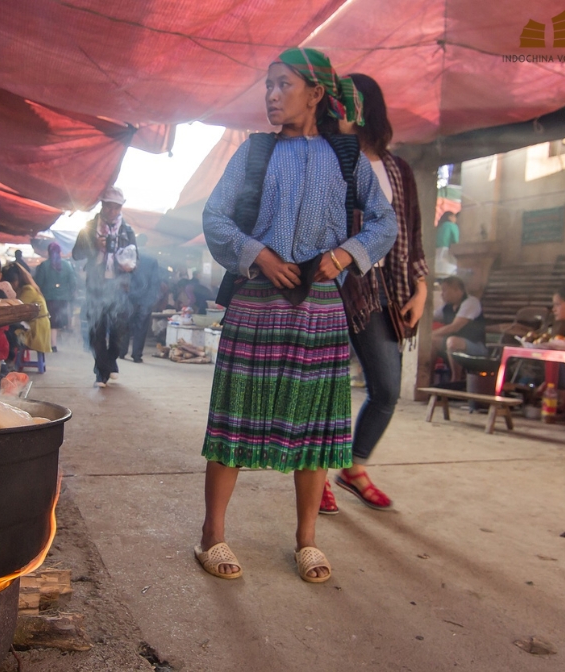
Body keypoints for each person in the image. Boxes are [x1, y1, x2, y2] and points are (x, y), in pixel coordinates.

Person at [196, 47, 397, 583]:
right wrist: (258, 254)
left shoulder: (346, 156)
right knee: (234, 419)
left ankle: (307, 540)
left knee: (315, 429)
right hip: (256, 304)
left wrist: (343, 255)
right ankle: (212, 534)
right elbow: (215, 216)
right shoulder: (254, 152)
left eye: (283, 84)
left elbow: (384, 221)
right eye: (268, 85)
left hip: (320, 310)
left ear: (315, 93)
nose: (271, 95)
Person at [320, 73, 430, 514]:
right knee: (326, 389)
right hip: (333, 284)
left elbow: (412, 231)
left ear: (370, 107)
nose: (347, 109)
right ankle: (315, 476)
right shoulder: (326, 157)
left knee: (386, 389)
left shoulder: (398, 168)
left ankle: (353, 466)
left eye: (354, 101)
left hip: (384, 288)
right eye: (339, 101)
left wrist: (421, 288)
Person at [71, 186, 136, 388]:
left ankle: (110, 359)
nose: (112, 211)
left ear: (121, 208)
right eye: (109, 206)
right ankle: (101, 372)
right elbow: (76, 254)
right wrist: (94, 246)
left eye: (116, 207)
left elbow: (135, 258)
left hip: (119, 287)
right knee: (96, 329)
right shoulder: (90, 228)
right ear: (102, 205)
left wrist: (130, 266)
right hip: (96, 286)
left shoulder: (127, 230)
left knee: (120, 329)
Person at [432, 276, 487, 381]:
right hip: (453, 344)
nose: (442, 294)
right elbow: (429, 317)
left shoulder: (471, 302)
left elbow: (454, 327)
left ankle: (455, 380)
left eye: (444, 290)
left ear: (457, 290)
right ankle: (427, 380)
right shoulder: (446, 307)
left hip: (477, 347)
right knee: (432, 342)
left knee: (452, 341)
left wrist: (430, 334)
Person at [33, 243, 78, 352]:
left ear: (48, 252)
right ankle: (54, 343)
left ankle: (50, 343)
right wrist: (70, 295)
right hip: (63, 299)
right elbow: (73, 283)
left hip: (47, 298)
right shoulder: (67, 265)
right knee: (56, 322)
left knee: (49, 320)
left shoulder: (44, 266)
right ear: (60, 252)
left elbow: (38, 283)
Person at [123, 252, 166, 363]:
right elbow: (155, 281)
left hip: (129, 298)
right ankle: (137, 355)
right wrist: (152, 299)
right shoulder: (152, 261)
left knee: (125, 325)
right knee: (141, 327)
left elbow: (124, 277)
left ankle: (121, 351)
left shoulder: (129, 256)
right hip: (145, 299)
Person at [3, 262, 52, 355]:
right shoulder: (26, 289)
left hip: (36, 331)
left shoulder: (28, 290)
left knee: (9, 333)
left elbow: (16, 309)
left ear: (19, 279)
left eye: (13, 282)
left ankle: (10, 360)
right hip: (36, 327)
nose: (11, 285)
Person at [434, 211, 459, 278]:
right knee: (449, 272)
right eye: (454, 217)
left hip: (437, 251)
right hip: (447, 251)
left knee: (438, 271)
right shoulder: (452, 226)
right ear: (449, 217)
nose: (455, 219)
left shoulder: (439, 227)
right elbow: (455, 240)